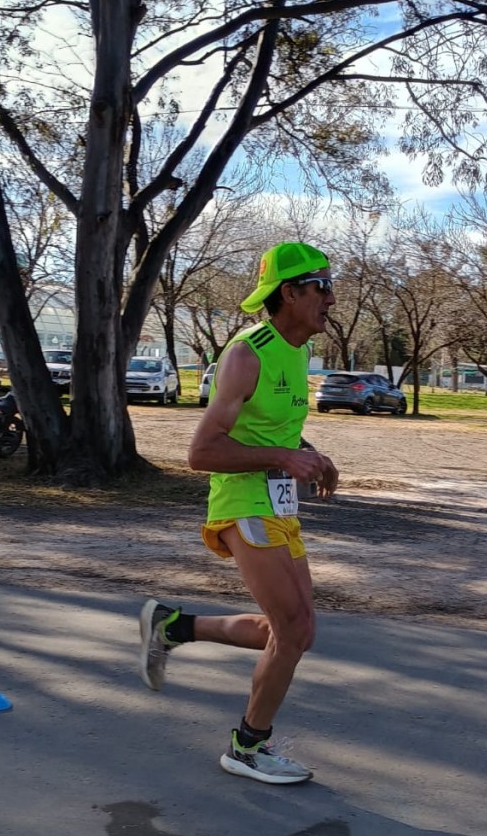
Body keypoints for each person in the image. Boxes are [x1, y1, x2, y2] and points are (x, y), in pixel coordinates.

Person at [138, 241, 338, 785]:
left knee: (297, 631)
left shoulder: (296, 352)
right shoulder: (248, 352)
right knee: (293, 629)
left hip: (276, 501)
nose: (331, 298)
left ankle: (173, 627)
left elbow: (276, 429)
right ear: (290, 293)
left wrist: (313, 456)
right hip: (241, 501)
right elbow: (201, 452)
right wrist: (282, 456)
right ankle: (248, 747)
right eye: (321, 286)